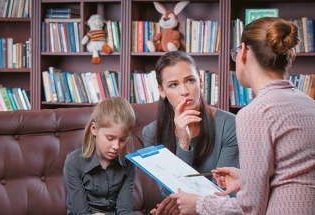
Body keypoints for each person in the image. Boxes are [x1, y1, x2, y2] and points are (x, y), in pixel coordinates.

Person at [165, 17, 315, 214]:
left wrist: (199, 205)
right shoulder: (309, 104)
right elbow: (292, 175)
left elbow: (250, 209)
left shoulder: (255, 113)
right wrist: (246, 178)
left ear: (244, 52)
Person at [142, 51, 239, 214]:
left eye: (190, 80)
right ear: (162, 91)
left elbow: (226, 193)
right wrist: (183, 143)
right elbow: (168, 193)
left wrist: (189, 203)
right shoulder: (150, 132)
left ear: (200, 81)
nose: (184, 91)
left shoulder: (229, 125)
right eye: (173, 85)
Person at [63, 97, 138, 215]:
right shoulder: (73, 162)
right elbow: (80, 212)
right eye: (110, 138)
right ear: (94, 129)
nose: (116, 146)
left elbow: (125, 210)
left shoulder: (129, 164)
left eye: (123, 139)